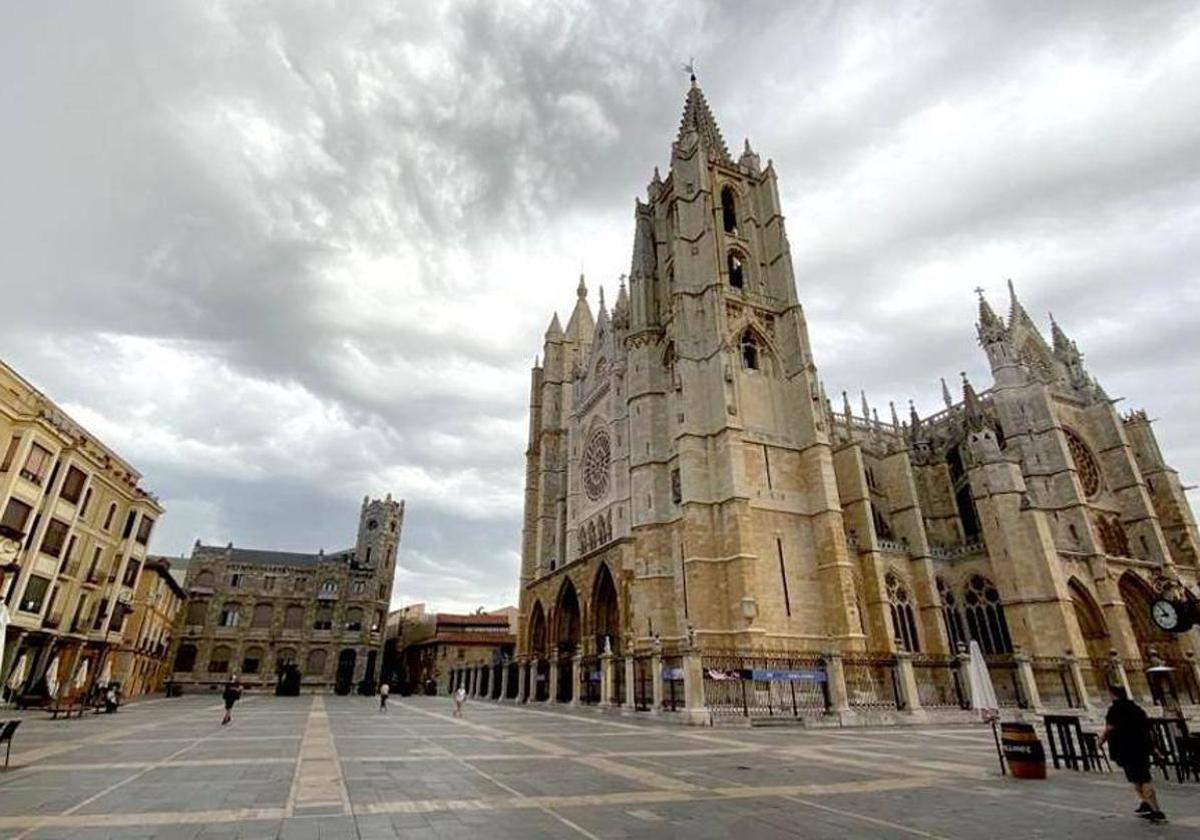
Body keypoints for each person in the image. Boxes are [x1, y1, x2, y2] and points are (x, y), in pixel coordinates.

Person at [1098, 685, 1165, 823]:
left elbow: (1109, 729)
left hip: (1126, 749)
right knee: (1137, 777)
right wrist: (1154, 748)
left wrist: (1100, 742)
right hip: (1142, 747)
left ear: (1113, 695)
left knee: (1143, 778)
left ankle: (1157, 811)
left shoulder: (1115, 710)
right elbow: (1148, 729)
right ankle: (1145, 803)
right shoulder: (1137, 709)